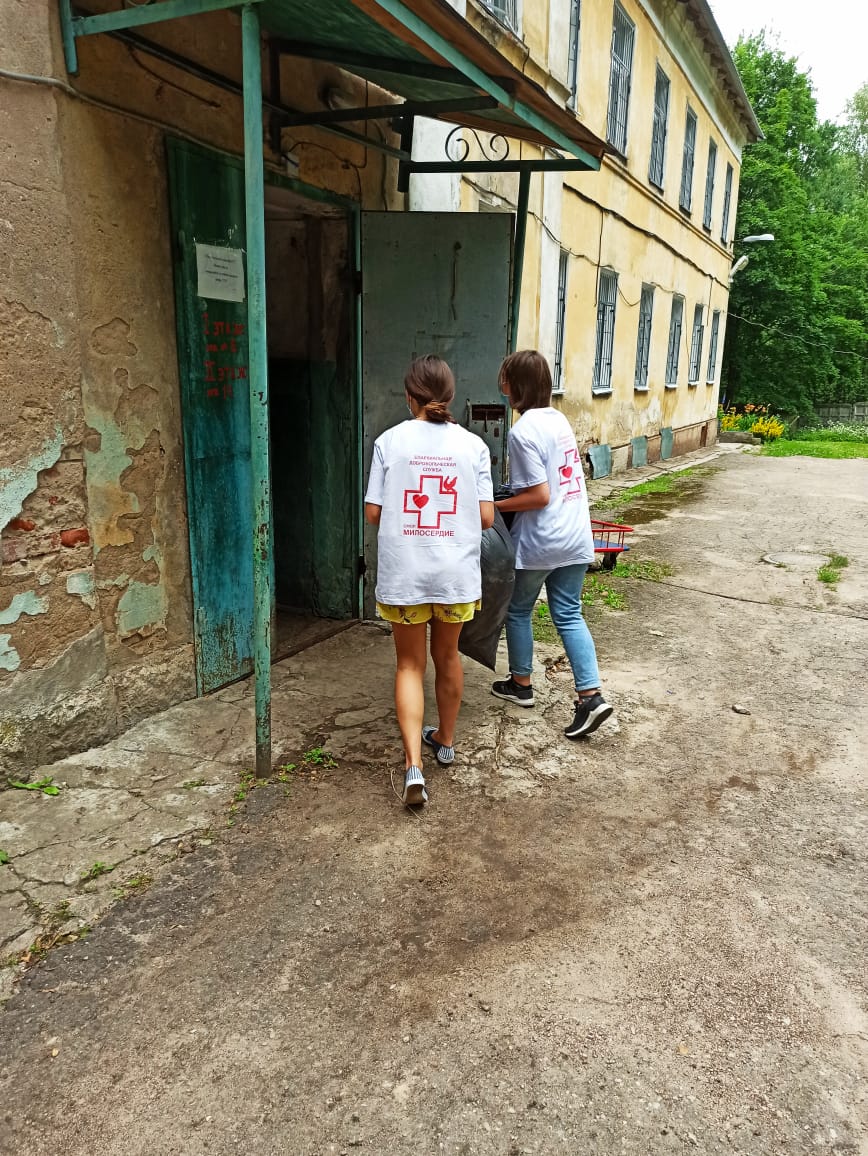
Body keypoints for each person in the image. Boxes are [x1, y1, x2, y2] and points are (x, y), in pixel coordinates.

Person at [365, 355, 495, 805]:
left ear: (409, 396)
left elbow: (373, 512)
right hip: (454, 571)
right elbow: (486, 517)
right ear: (450, 396)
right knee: (448, 656)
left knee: (409, 665)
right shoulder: (474, 447)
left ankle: (413, 766)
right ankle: (446, 741)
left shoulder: (388, 441)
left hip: (406, 570)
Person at [491, 350, 613, 739]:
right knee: (569, 614)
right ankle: (590, 696)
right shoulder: (558, 419)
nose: (502, 385)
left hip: (543, 540)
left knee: (518, 610)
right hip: (575, 533)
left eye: (505, 378)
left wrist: (493, 506)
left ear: (516, 385)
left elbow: (538, 496)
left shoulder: (522, 431)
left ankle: (521, 684)